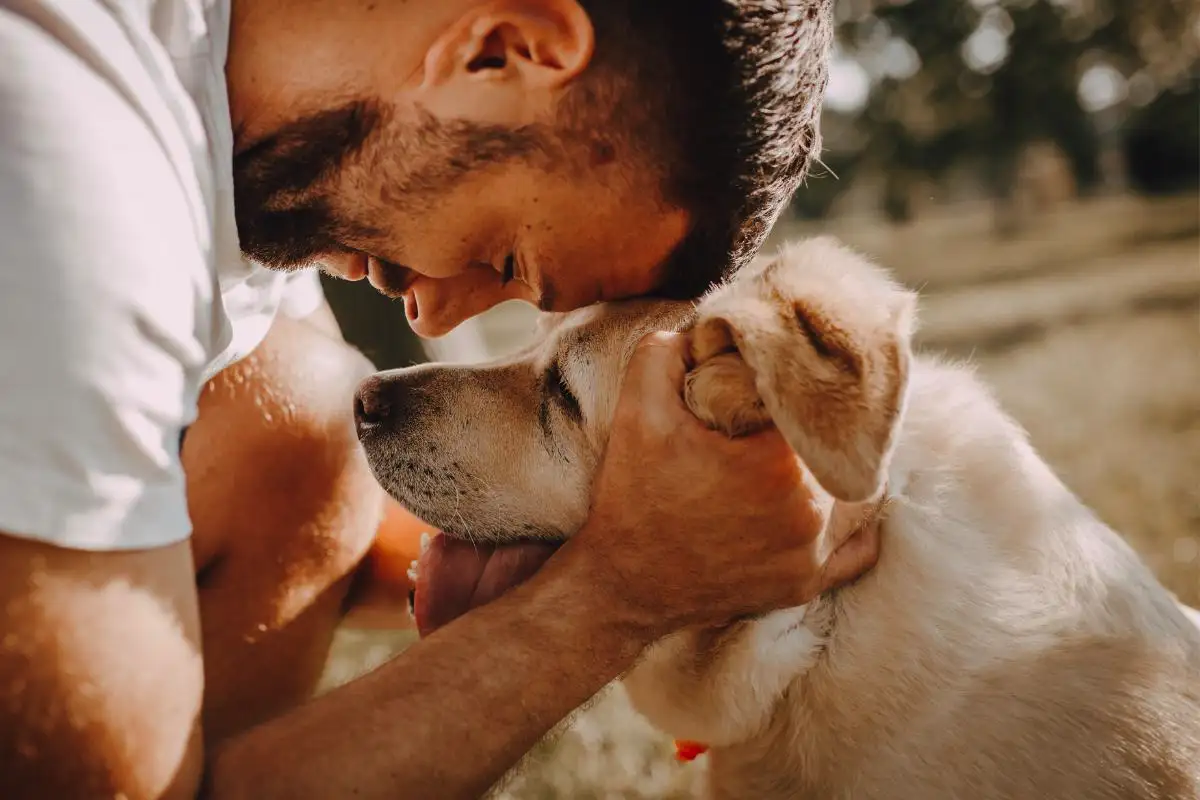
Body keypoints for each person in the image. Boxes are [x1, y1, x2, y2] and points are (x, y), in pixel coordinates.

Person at [0, 1, 878, 798]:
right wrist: (619, 593)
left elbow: (325, 528)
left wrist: (679, 532)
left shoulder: (232, 130)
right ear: (504, 50)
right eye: (505, 259)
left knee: (302, 424)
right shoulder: (66, 159)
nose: (430, 309)